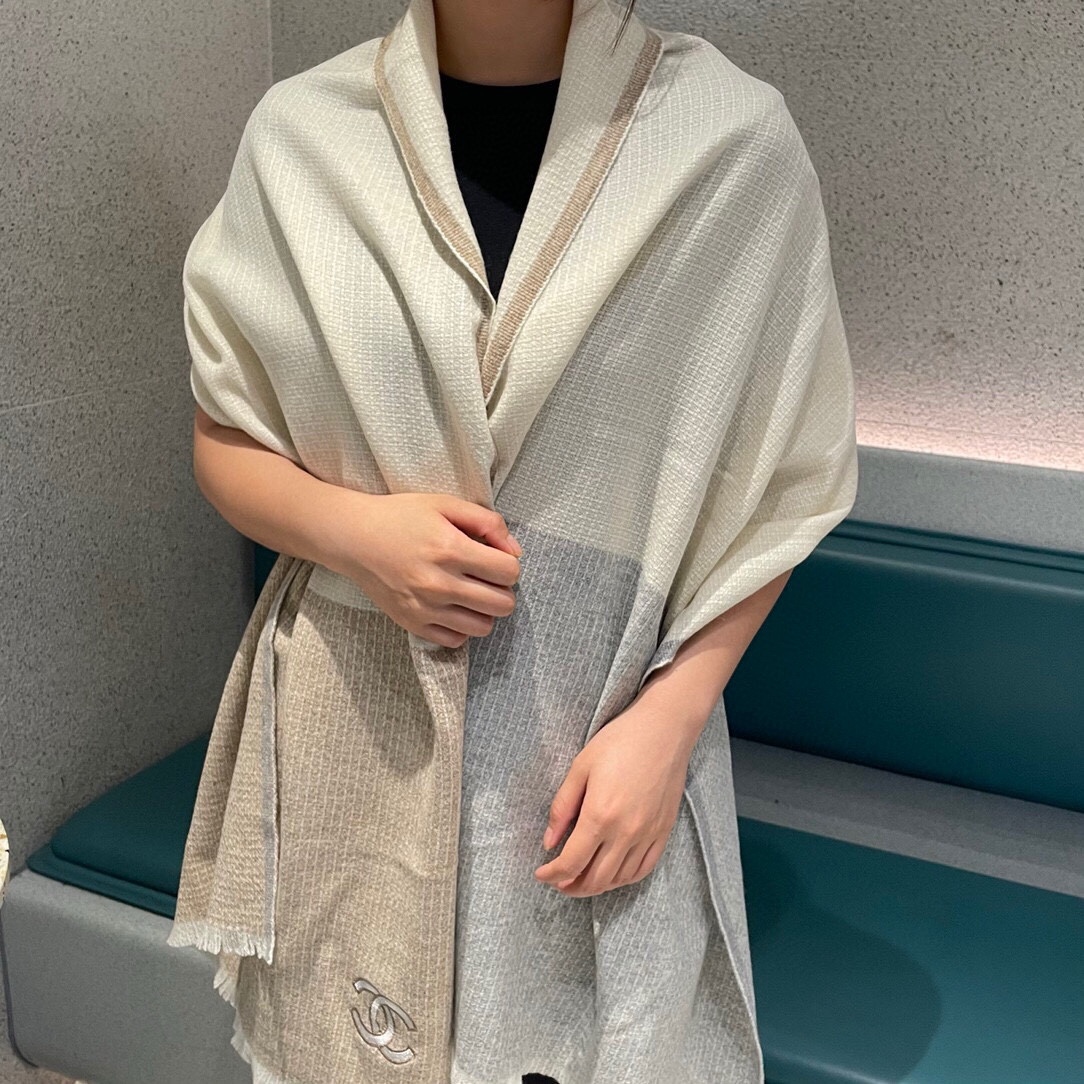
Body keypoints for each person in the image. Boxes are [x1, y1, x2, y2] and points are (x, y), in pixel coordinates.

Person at [171, 0, 859, 1080]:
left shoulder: (727, 145)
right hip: (353, 722)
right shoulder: (302, 136)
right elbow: (224, 439)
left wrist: (671, 719)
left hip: (599, 739)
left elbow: (779, 487)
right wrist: (359, 535)